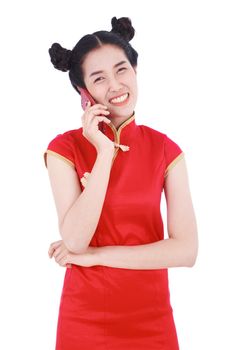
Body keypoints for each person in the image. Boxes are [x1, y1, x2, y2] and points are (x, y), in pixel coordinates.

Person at [44, 16, 198, 350]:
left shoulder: (166, 150)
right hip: (84, 320)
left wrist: (97, 256)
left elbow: (186, 251)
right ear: (84, 93)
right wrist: (103, 153)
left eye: (122, 69)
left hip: (153, 320)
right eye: (99, 79)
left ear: (136, 71)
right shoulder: (64, 149)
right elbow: (75, 239)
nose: (115, 85)